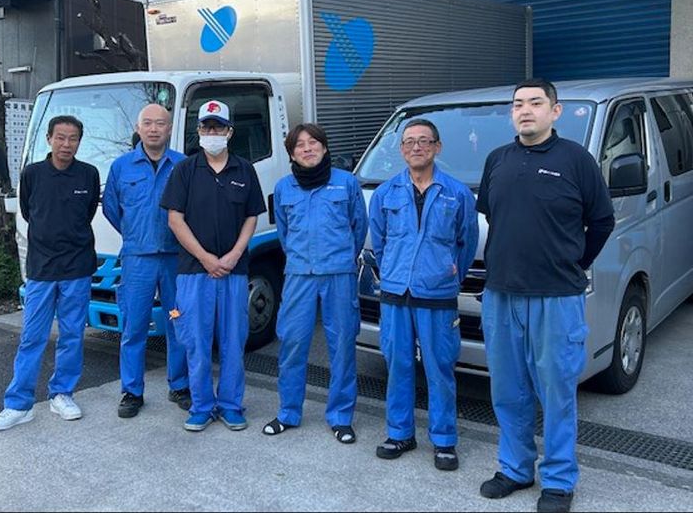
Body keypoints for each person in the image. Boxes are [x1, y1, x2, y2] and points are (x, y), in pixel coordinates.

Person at [476, 78, 614, 513]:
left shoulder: (576, 160)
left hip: (556, 297)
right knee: (508, 390)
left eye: (536, 102)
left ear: (555, 111)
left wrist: (574, 263)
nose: (525, 110)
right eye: (518, 103)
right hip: (501, 295)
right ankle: (516, 467)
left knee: (556, 394)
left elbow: (602, 221)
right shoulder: (497, 160)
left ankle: (558, 479)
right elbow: (494, 218)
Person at [368, 119, 478, 470]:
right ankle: (400, 433)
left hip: (438, 295)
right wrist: (395, 272)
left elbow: (466, 244)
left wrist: (445, 273)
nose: (416, 147)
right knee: (398, 366)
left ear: (437, 147)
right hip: (395, 294)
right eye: (409, 142)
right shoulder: (386, 193)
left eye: (424, 141)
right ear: (401, 149)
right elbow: (380, 243)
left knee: (440, 368)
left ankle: (444, 440)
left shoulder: (457, 193)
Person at [0, 116, 99, 431]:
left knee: (72, 335)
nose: (66, 144)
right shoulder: (33, 174)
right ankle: (18, 404)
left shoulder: (89, 174)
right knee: (32, 337)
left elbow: (88, 213)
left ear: (79, 141)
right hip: (41, 269)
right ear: (49, 139)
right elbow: (28, 212)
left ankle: (62, 393)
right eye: (60, 137)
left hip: (77, 268)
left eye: (73, 138)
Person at [161, 99, 266, 432]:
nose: (212, 132)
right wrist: (205, 257)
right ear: (199, 131)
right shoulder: (185, 170)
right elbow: (175, 219)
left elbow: (251, 217)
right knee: (195, 341)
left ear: (229, 132)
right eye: (207, 127)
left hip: (234, 271)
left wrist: (234, 254)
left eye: (218, 127)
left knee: (234, 341)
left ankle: (231, 405)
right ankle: (202, 405)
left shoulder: (244, 170)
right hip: (195, 271)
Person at [262, 124, 368, 444]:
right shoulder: (284, 188)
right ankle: (288, 412)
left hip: (339, 275)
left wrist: (340, 259)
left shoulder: (346, 183)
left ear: (324, 147)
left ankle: (340, 417)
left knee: (342, 346)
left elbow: (358, 228)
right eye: (300, 145)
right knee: (292, 343)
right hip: (299, 275)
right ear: (292, 154)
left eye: (313, 143)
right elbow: (284, 233)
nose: (307, 149)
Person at [103, 103, 189, 419]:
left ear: (170, 128)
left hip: (175, 260)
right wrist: (135, 235)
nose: (154, 129)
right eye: (148, 123)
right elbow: (111, 209)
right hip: (137, 261)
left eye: (160, 123)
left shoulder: (183, 165)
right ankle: (132, 391)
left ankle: (180, 385)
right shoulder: (122, 167)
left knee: (178, 321)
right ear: (138, 129)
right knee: (134, 326)